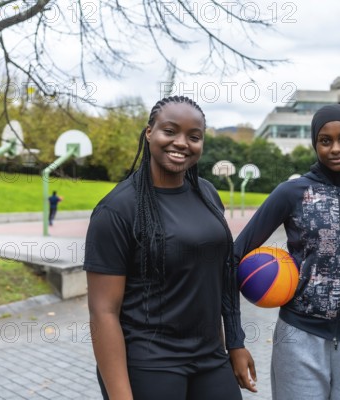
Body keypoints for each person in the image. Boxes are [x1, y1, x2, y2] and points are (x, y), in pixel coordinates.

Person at [83, 96, 256, 400]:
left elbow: (224, 277)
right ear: (149, 132)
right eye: (170, 131)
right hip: (150, 362)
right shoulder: (117, 209)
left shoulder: (207, 195)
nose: (181, 143)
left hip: (210, 357)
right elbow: (103, 312)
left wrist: (235, 342)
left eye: (194, 136)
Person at [234, 104, 340, 400]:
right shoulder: (291, 193)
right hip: (298, 338)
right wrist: (235, 339)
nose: (335, 148)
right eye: (325, 141)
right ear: (315, 145)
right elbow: (234, 257)